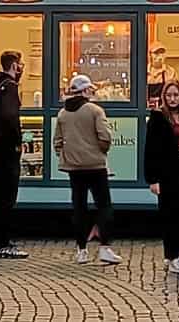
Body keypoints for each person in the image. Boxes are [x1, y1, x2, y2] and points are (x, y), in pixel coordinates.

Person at [54, 74, 119, 266]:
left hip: (74, 168)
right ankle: (105, 248)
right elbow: (105, 137)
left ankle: (81, 250)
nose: (92, 91)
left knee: (79, 207)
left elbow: (57, 142)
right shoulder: (94, 110)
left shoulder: (62, 114)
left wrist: (66, 155)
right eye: (90, 89)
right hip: (96, 166)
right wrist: (99, 151)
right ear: (84, 91)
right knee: (104, 205)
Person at [144, 79, 179, 275]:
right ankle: (174, 256)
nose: (172, 99)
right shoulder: (158, 118)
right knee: (171, 215)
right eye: (168, 95)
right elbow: (150, 150)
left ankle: (178, 254)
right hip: (166, 173)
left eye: (176, 95)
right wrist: (152, 179)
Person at [0, 50, 28, 259]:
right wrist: (18, 143)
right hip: (7, 150)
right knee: (7, 197)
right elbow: (10, 117)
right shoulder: (9, 87)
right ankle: (3, 243)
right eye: (20, 64)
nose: (22, 67)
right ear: (13, 65)